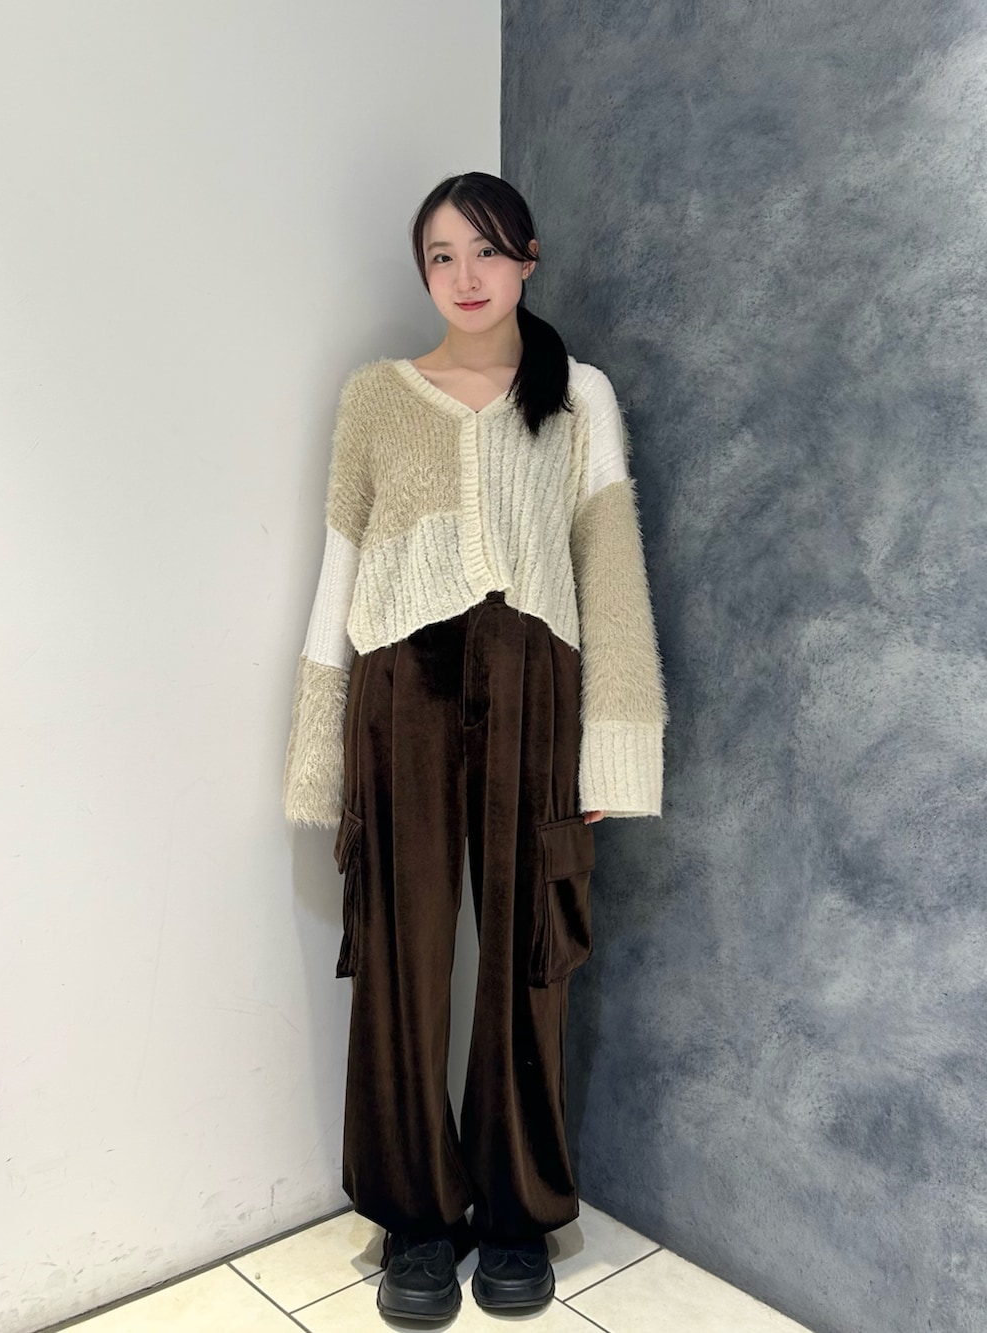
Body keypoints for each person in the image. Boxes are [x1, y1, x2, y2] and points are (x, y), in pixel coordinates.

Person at [283, 171, 667, 1321]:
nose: (464, 276)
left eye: (486, 251)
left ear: (528, 259)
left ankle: (515, 1216)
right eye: (441, 255)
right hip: (397, 691)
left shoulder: (579, 394)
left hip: (534, 688)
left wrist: (612, 748)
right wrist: (317, 748)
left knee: (526, 958)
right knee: (398, 954)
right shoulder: (374, 397)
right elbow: (341, 570)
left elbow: (609, 571)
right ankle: (413, 1216)